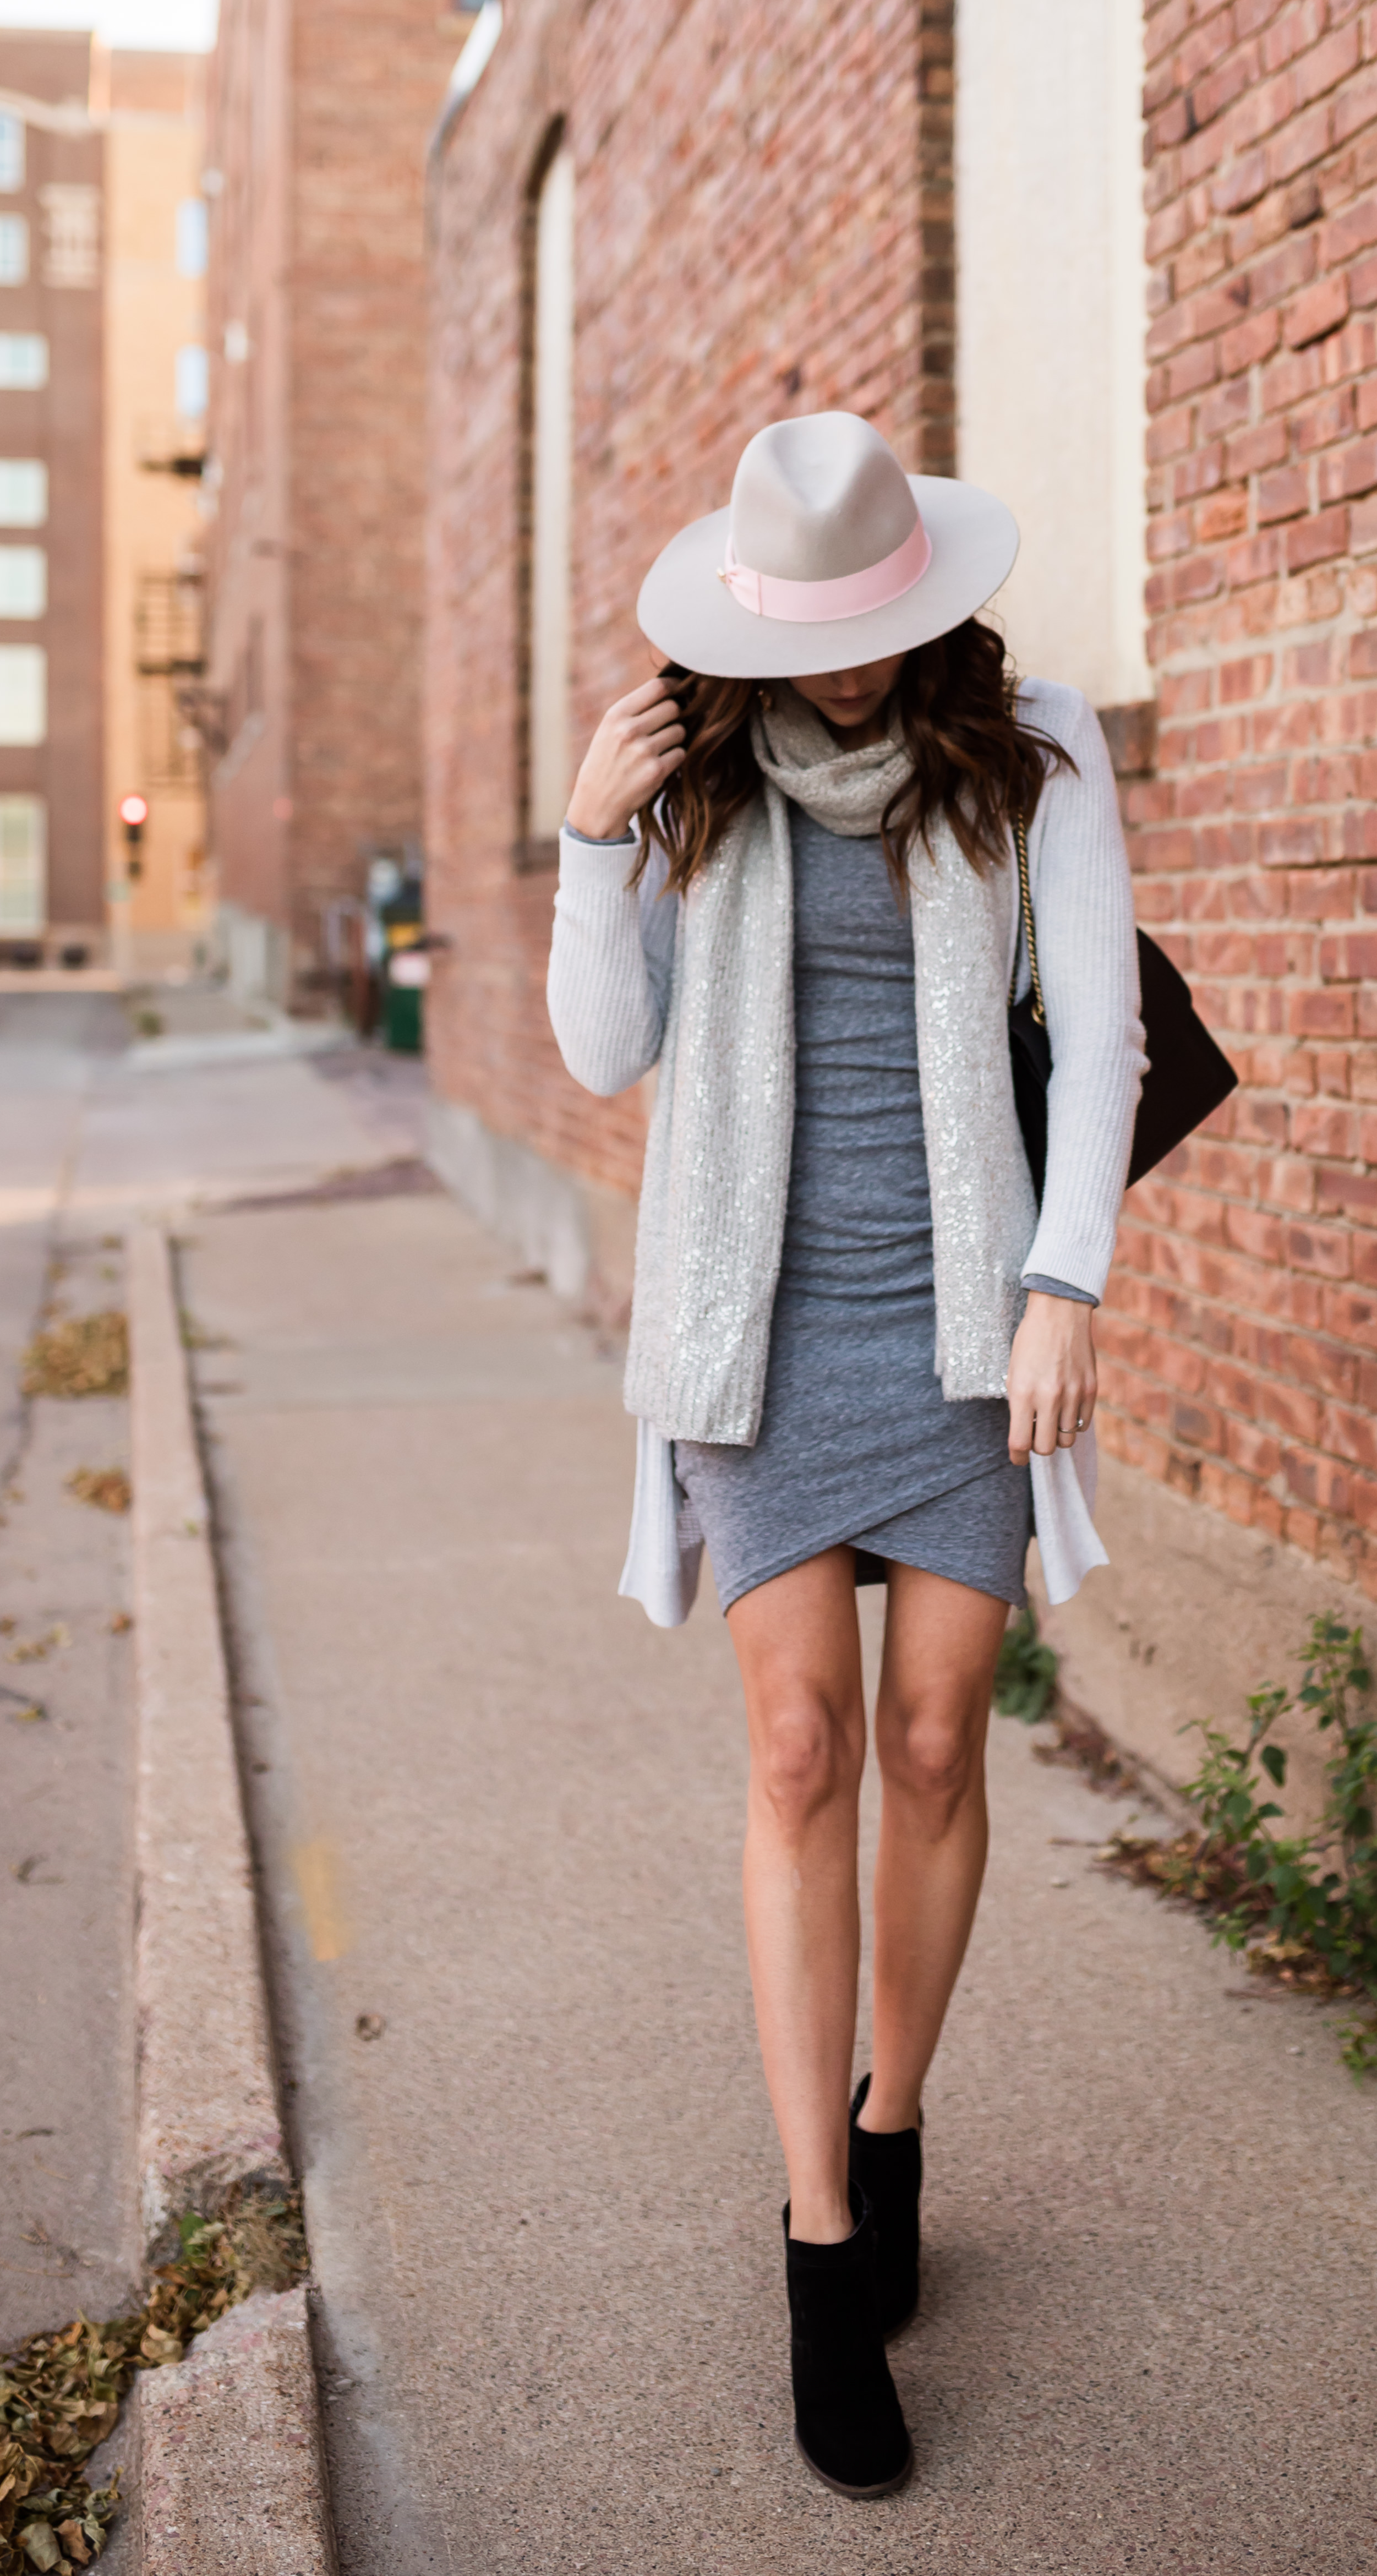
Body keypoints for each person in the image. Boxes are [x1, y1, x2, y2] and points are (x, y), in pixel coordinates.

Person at [547, 411, 1143, 2498]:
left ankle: (896, 2131)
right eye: (810, 631)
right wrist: (592, 842)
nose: (845, 664)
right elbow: (605, 1053)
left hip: (965, 1317)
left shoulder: (1035, 748)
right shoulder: (694, 767)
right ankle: (823, 2249)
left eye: (876, 624)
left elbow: (1103, 1029)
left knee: (934, 1746)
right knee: (798, 1749)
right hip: (760, 1328)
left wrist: (1065, 1282)